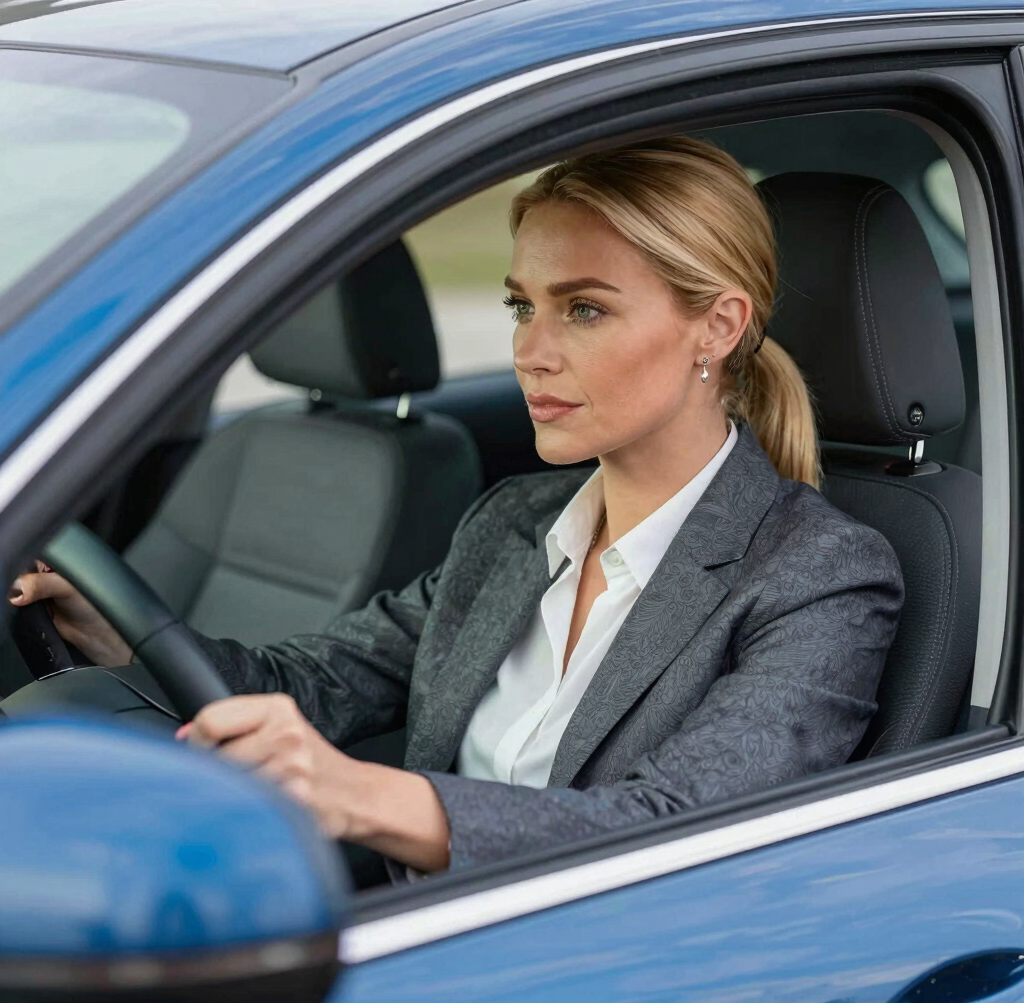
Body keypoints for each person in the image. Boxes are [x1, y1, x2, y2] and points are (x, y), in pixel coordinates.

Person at [10, 137, 903, 876]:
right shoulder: (511, 524)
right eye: (521, 305)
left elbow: (674, 828)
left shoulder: (818, 574)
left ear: (718, 325)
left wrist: (356, 793)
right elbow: (314, 687)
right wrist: (122, 634)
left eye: (584, 310)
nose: (531, 351)